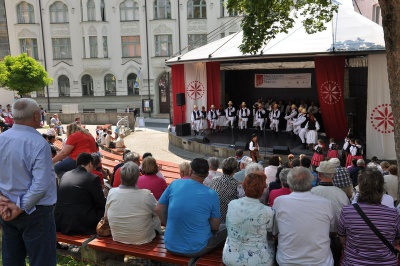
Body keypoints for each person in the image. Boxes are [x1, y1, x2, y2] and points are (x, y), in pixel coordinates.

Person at [0, 98, 57, 265]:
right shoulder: (39, 144)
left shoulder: (2, 139)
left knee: (12, 259)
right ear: (36, 116)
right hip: (35, 211)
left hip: (6, 208)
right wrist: (19, 207)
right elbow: (40, 185)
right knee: (42, 261)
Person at [155, 158, 226, 259]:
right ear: (206, 175)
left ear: (190, 171)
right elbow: (215, 226)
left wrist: (168, 223)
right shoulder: (212, 195)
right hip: (197, 249)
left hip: (170, 244)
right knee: (226, 228)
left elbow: (158, 209)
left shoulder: (175, 184)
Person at [273, 167, 336, 266]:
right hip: (320, 262)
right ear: (311, 184)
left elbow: (275, 231)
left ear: (289, 184)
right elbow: (332, 231)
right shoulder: (326, 203)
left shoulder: (279, 201)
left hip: (287, 261)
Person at [338, 170, 400, 266]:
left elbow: (343, 240)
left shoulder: (347, 211)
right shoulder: (393, 214)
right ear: (381, 188)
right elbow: (396, 241)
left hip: (354, 262)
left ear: (360, 187)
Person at [223, 172, 275, 266]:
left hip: (229, 257)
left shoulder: (232, 204)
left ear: (244, 187)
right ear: (262, 190)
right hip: (258, 261)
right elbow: (271, 231)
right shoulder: (268, 211)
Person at [106, 162, 161, 244]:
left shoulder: (112, 192)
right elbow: (158, 212)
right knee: (156, 214)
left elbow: (105, 215)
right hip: (142, 238)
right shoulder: (146, 195)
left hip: (117, 236)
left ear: (121, 177)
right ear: (137, 178)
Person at [55, 153, 106, 235]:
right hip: (78, 223)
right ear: (90, 164)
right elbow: (101, 203)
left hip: (60, 220)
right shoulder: (93, 178)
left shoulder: (65, 175)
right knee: (104, 209)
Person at [210, 157, 239, 224]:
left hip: (214, 217)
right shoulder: (236, 184)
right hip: (228, 218)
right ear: (234, 170)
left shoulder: (214, 180)